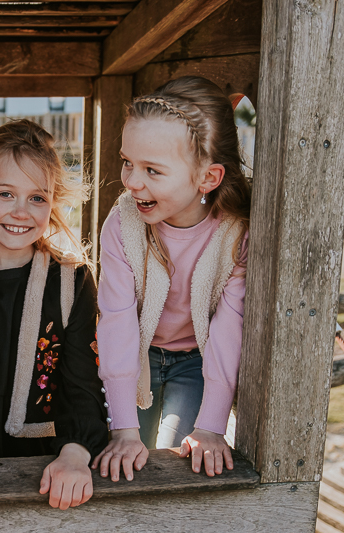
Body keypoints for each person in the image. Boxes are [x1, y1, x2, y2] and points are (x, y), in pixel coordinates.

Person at [0, 120, 108, 515]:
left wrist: (76, 454)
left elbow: (83, 383)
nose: (20, 212)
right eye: (6, 193)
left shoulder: (72, 281)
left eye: (37, 198)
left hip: (47, 472)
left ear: (54, 202)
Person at [92, 77, 251, 480]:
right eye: (127, 162)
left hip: (194, 363)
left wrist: (212, 427)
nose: (131, 181)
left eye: (152, 170)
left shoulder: (234, 234)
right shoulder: (123, 223)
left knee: (177, 463)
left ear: (208, 178)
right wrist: (123, 429)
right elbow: (117, 321)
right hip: (136, 357)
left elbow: (229, 328)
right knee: (127, 459)